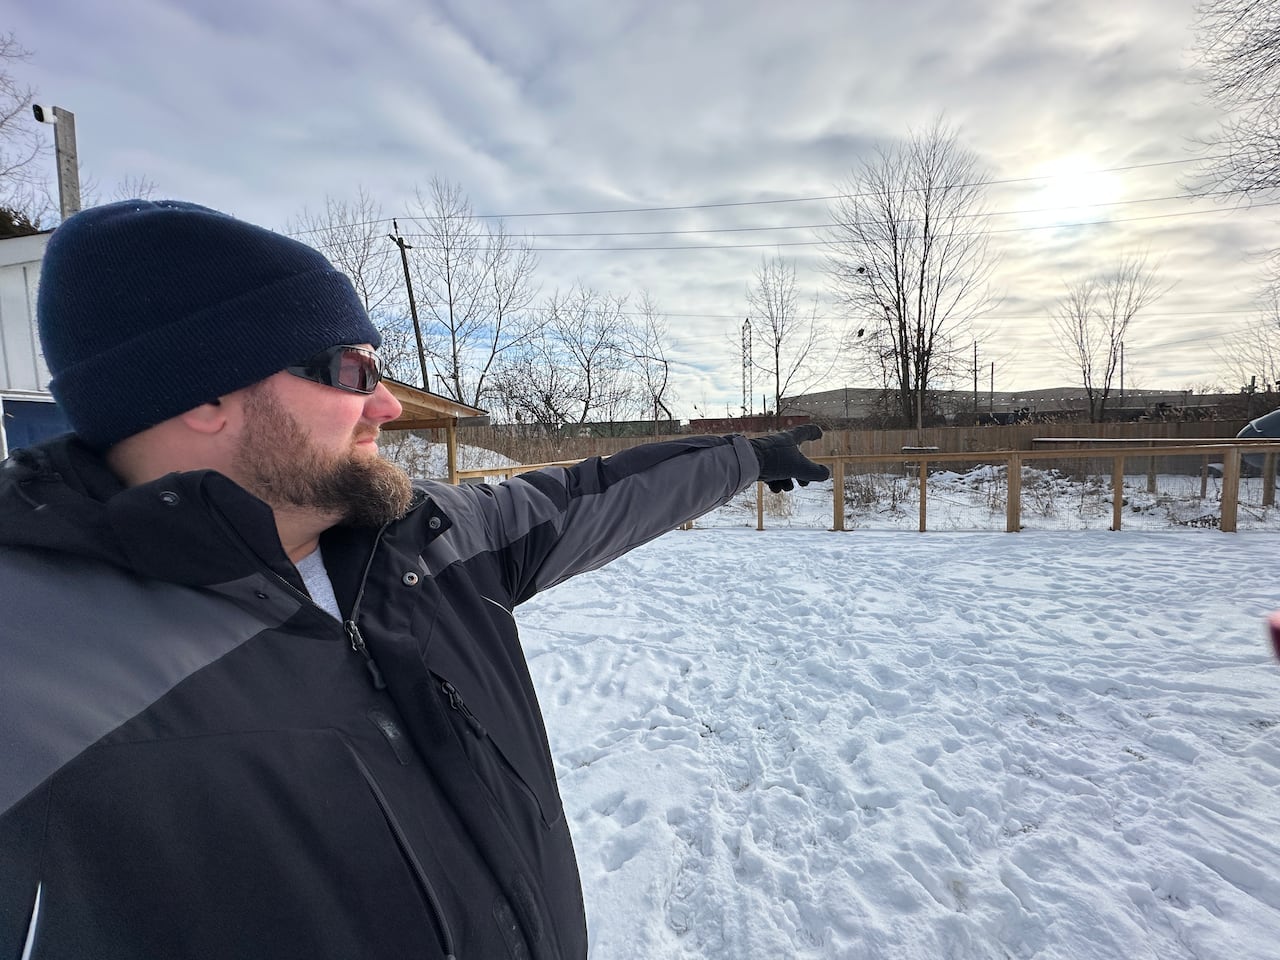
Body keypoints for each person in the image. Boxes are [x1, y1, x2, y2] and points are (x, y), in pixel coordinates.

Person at [0, 199, 830, 960]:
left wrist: (742, 456)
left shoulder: (423, 542)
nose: (387, 405)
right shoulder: (30, 663)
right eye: (353, 369)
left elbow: (582, 495)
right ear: (204, 390)